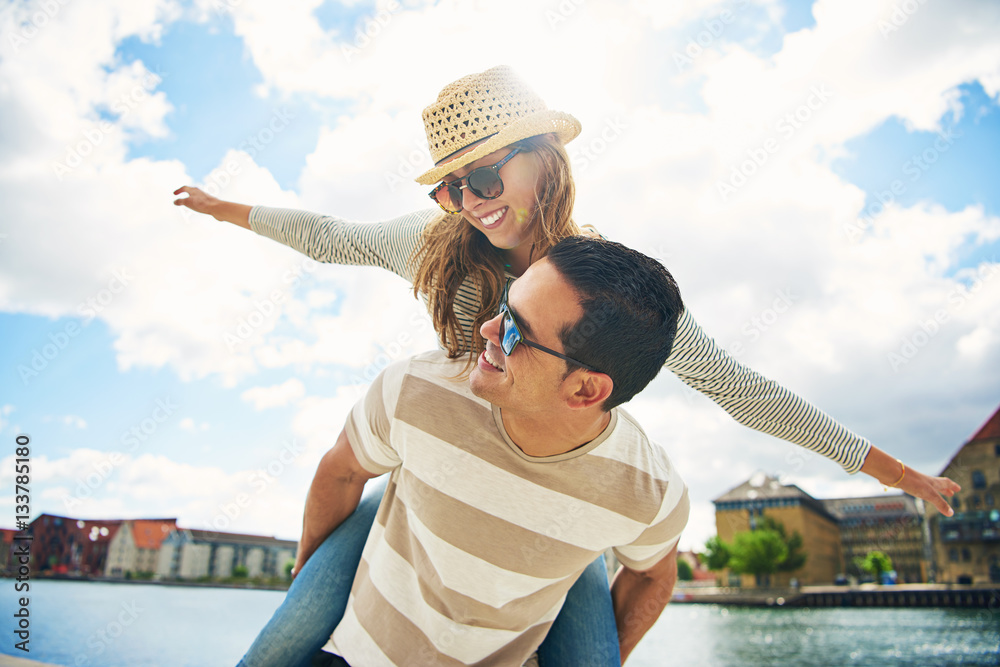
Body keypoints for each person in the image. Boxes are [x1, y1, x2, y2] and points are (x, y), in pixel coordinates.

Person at [173, 66, 960, 665]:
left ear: (545, 158)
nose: (473, 202)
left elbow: (738, 387)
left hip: (557, 501)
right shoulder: (436, 244)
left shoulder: (604, 288)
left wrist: (895, 472)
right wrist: (224, 209)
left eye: (485, 176)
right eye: (454, 188)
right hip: (434, 481)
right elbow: (334, 236)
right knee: (288, 637)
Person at [314, 235, 689, 666]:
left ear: (586, 388)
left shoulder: (647, 491)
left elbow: (652, 575)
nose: (486, 329)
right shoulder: (416, 390)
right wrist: (309, 589)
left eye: (516, 332)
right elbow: (343, 471)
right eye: (504, 307)